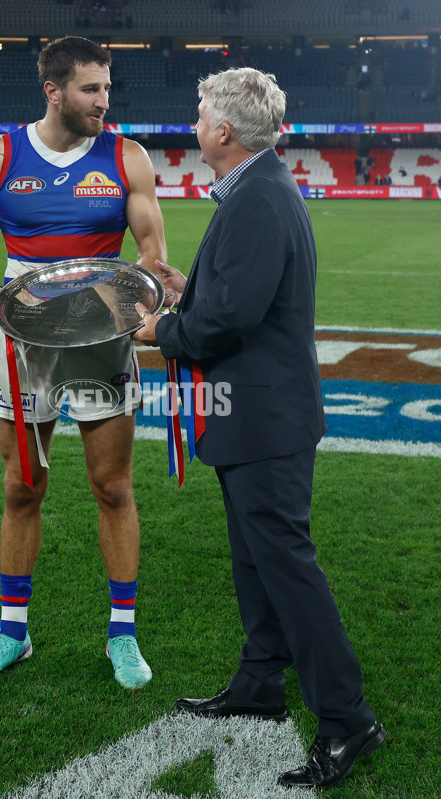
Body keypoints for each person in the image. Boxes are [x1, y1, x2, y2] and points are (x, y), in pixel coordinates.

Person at [134, 67, 386, 789]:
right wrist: (193, 288)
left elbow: (229, 321)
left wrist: (165, 327)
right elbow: (242, 296)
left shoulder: (257, 196)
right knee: (257, 562)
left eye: (200, 111)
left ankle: (348, 718)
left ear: (223, 131)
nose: (193, 122)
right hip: (257, 415)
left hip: (265, 418)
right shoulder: (262, 187)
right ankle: (260, 683)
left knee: (288, 570)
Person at [0, 36, 166, 690]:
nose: (105, 100)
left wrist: (149, 283)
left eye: (107, 88)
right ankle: (12, 632)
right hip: (22, 341)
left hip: (101, 336)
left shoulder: (127, 157)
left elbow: (152, 243)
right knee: (22, 486)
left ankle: (122, 635)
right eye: (90, 89)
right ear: (53, 90)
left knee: (113, 486)